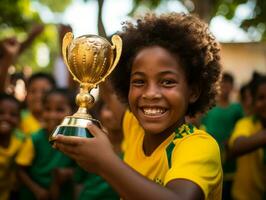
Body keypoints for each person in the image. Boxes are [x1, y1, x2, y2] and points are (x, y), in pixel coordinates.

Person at [54, 12, 222, 200]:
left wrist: (105, 163)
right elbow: (108, 91)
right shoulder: (135, 127)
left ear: (193, 92)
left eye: (167, 82)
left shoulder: (199, 146)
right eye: (139, 82)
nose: (150, 93)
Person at [18, 88, 76, 200]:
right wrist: (37, 190)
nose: (52, 115)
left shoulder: (75, 140)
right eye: (47, 109)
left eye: (59, 110)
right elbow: (20, 170)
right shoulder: (34, 139)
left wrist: (69, 173)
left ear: (73, 112)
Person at [201, 72, 244, 199]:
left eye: (228, 84)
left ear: (232, 87)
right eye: (222, 83)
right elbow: (203, 126)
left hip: (229, 160)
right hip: (209, 156)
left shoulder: (236, 109)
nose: (225, 87)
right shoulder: (210, 107)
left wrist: (230, 138)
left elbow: (240, 127)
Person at [228, 75, 266, 200]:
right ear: (253, 102)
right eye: (261, 98)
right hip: (243, 196)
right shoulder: (246, 124)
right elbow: (237, 146)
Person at [0, 93, 33, 200]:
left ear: (19, 119)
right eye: (1, 113)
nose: (6, 117)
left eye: (13, 114)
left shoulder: (21, 141)